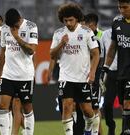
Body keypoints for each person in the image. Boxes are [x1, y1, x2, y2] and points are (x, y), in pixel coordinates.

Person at [50, 3, 100, 135]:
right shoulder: (58, 33)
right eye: (65, 20)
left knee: (88, 111)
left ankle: (88, 129)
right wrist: (61, 43)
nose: (68, 23)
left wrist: (93, 73)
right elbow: (52, 55)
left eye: (71, 20)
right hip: (65, 77)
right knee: (67, 106)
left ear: (77, 18)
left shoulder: (86, 32)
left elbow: (96, 54)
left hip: (82, 77)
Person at [0, 8, 38, 135]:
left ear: (19, 19)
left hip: (25, 75)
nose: (12, 28)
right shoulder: (5, 29)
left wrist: (16, 37)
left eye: (14, 25)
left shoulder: (31, 27)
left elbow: (31, 50)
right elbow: (3, 52)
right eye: (10, 26)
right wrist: (0, 74)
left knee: (27, 108)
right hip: (8, 75)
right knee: (3, 106)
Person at [100, 0, 130, 134]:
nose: (122, 10)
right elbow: (113, 48)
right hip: (121, 72)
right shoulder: (117, 23)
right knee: (124, 105)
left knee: (128, 103)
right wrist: (106, 67)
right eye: (120, 7)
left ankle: (125, 131)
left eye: (125, 7)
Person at [84, 13, 105, 135]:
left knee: (95, 108)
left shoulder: (101, 36)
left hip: (96, 75)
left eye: (86, 25)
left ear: (92, 24)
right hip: (85, 76)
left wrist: (99, 76)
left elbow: (101, 57)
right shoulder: (86, 35)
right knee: (88, 108)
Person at [101, 28, 118, 135]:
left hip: (126, 72)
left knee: (126, 103)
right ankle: (111, 125)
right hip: (111, 73)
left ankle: (126, 128)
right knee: (107, 104)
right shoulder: (105, 34)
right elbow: (102, 53)